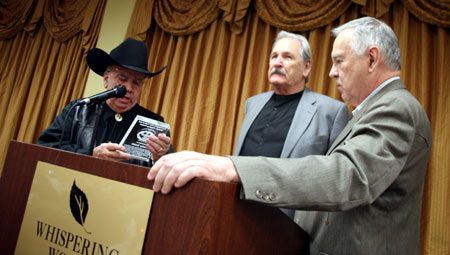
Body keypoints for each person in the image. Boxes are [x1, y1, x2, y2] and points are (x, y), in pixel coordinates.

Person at [147, 17, 433, 254]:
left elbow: (346, 176)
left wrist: (232, 166)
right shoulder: (378, 108)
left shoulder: (397, 108)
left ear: (372, 59)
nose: (332, 73)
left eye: (339, 61)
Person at [235, 31, 351, 218]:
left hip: (290, 223)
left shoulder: (332, 111)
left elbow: (336, 178)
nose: (277, 62)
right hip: (239, 212)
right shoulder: (252, 104)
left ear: (306, 67)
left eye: (287, 57)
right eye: (274, 56)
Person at [38, 38, 173, 167]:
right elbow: (46, 147)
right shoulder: (78, 110)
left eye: (137, 82)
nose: (129, 88)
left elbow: (168, 171)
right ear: (106, 79)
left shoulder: (153, 123)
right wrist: (90, 155)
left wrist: (160, 158)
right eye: (122, 78)